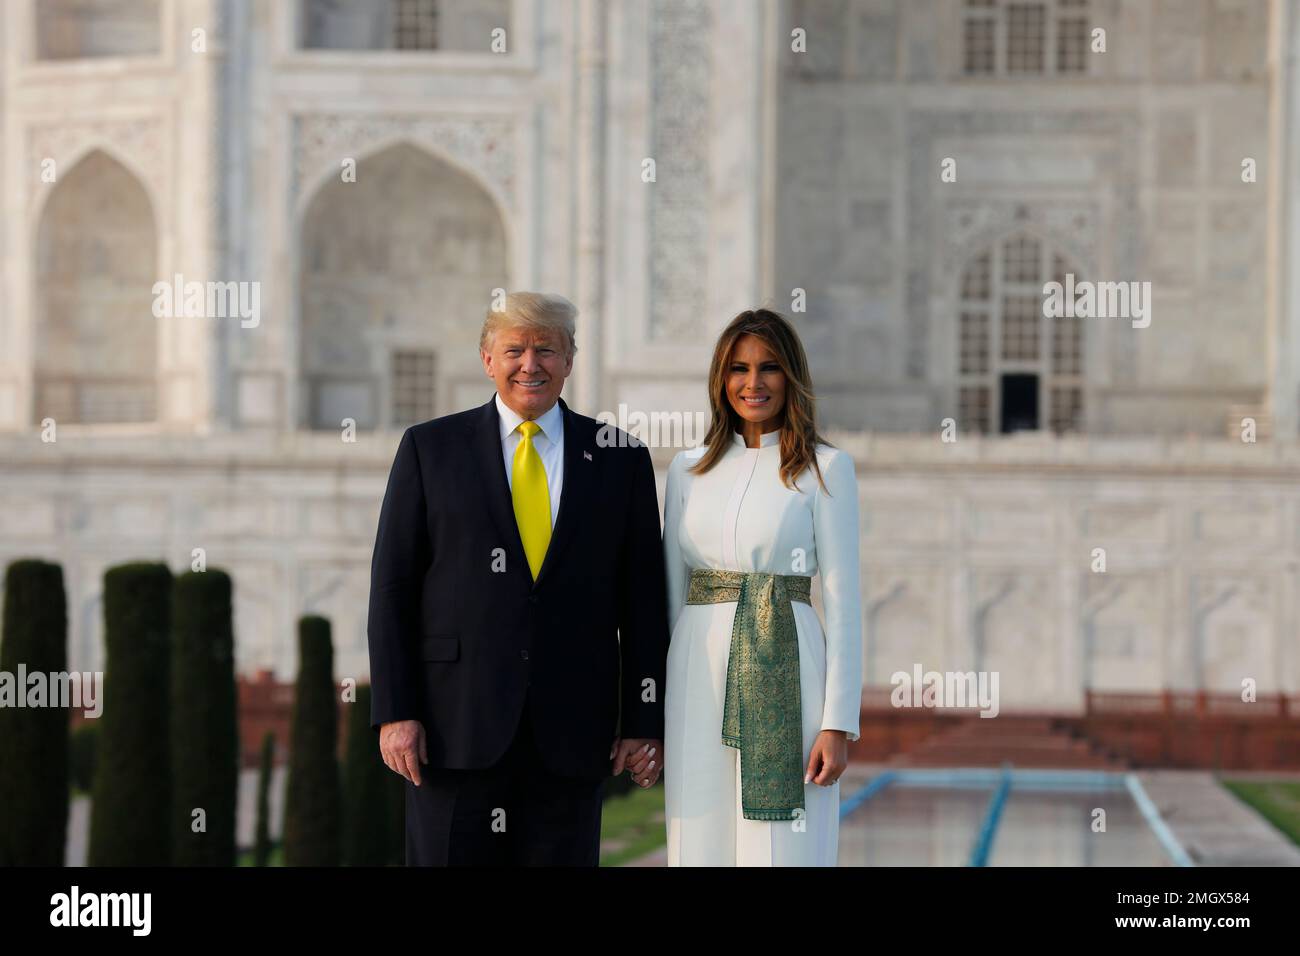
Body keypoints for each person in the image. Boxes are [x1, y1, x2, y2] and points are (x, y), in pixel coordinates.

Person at [367, 292, 669, 866]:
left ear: (570, 360)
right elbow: (392, 591)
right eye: (515, 350)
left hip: (572, 734)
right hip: (454, 729)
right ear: (487, 360)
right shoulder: (432, 449)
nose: (530, 364)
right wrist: (395, 711)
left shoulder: (618, 459)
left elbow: (644, 605)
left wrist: (643, 722)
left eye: (546, 350)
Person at [662, 308, 863, 866]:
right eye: (738, 369)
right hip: (696, 674)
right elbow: (668, 594)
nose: (753, 383)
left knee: (780, 846)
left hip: (789, 668)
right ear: (721, 380)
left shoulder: (824, 469)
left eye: (769, 368)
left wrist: (838, 723)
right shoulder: (687, 470)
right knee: (700, 834)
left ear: (791, 376)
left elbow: (845, 603)